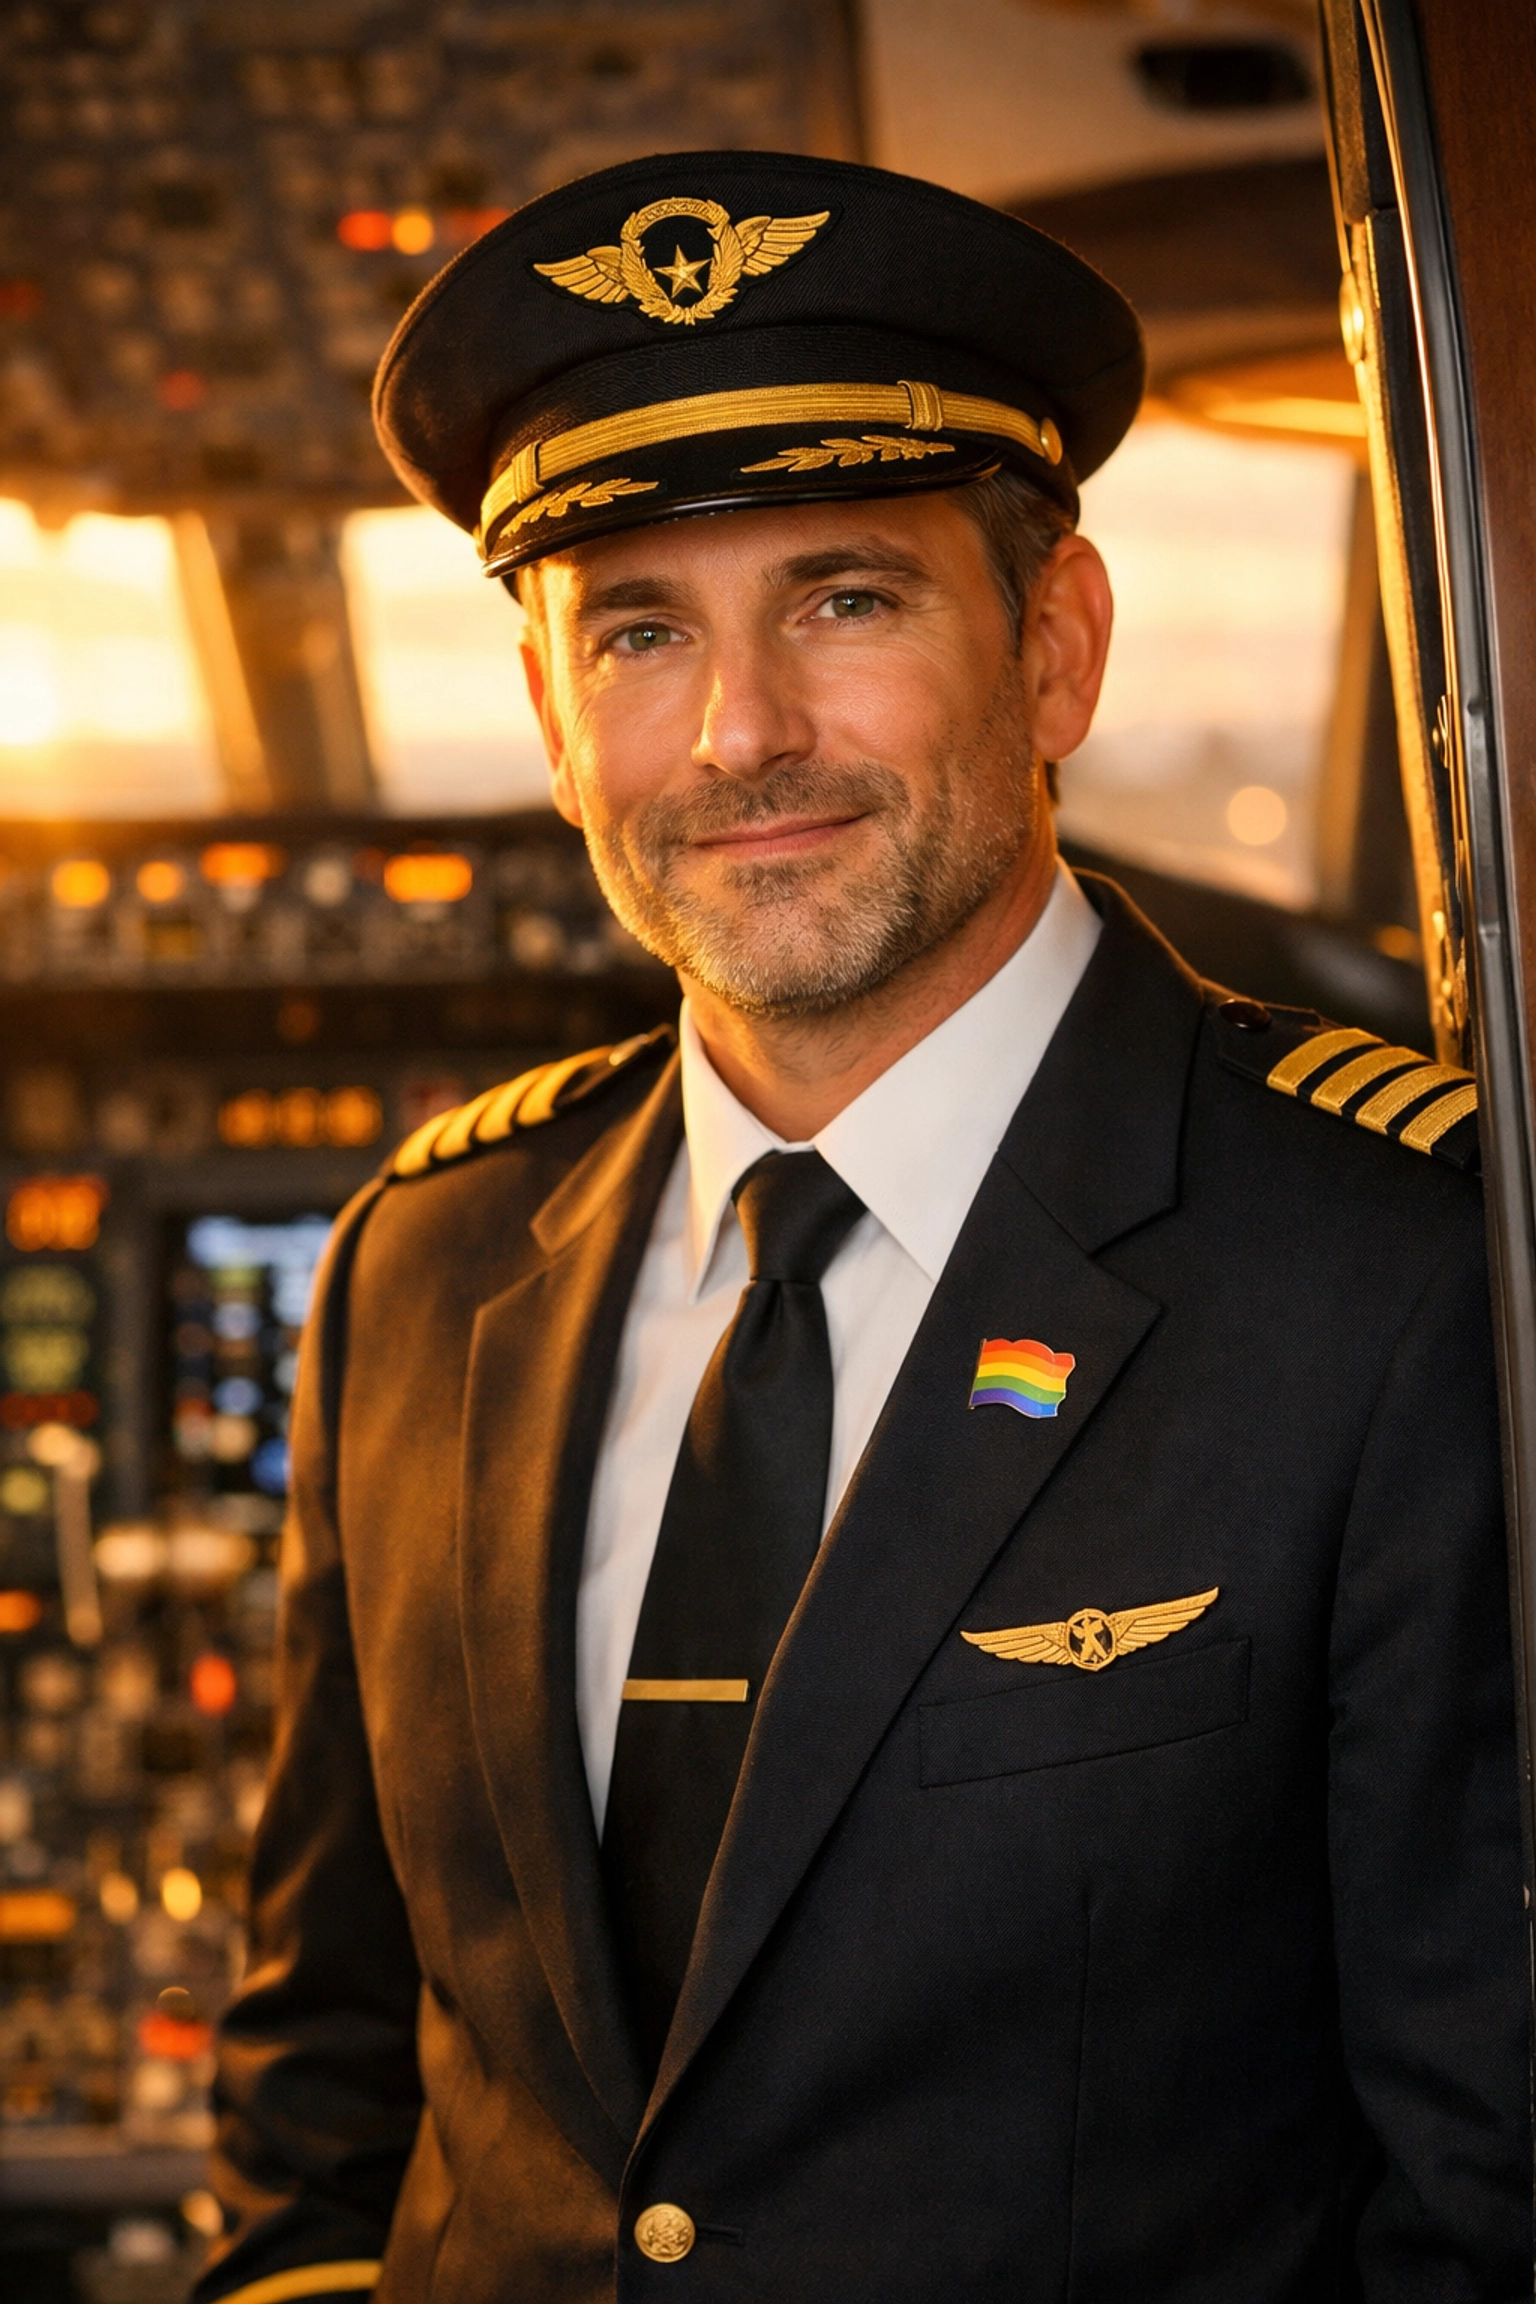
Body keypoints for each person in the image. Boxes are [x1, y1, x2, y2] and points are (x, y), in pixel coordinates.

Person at [193, 153, 1530, 2304]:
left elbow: (1489, 2192)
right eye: (639, 630)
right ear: (551, 719)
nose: (743, 737)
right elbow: (325, 2094)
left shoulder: (1397, 1275)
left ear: (1058, 644)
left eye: (847, 598)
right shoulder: (422, 1268)